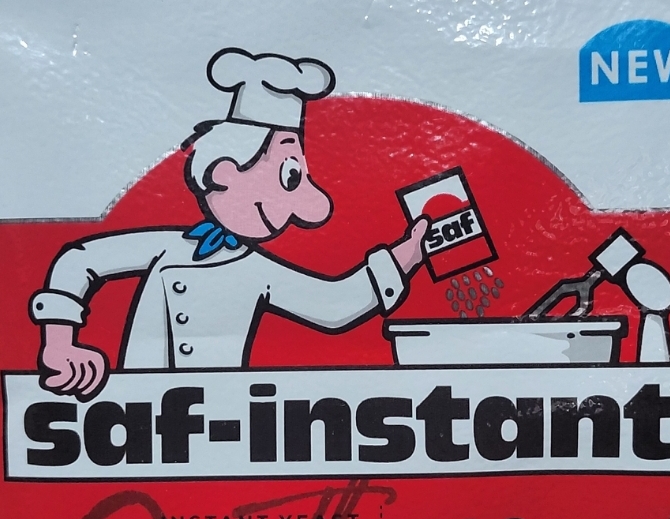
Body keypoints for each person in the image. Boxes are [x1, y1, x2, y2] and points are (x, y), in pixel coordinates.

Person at [30, 47, 428, 400]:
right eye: (291, 175)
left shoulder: (256, 270)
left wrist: (403, 258)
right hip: (135, 424)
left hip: (219, 423)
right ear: (225, 171)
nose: (310, 209)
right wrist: (60, 343)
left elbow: (332, 306)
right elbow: (78, 261)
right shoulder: (167, 246)